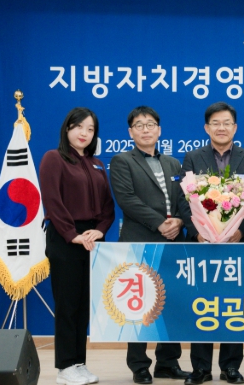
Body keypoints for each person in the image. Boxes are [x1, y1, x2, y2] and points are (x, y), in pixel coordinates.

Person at [109, 106, 193, 385]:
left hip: (173, 241)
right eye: (139, 125)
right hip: (139, 241)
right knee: (138, 305)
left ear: (159, 130)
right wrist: (159, 223)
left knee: (171, 303)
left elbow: (184, 199)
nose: (145, 130)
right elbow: (127, 200)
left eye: (150, 125)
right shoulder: (122, 161)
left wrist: (179, 220)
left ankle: (167, 363)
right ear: (130, 132)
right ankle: (139, 366)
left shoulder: (173, 163)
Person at [182, 102, 244, 385]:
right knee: (202, 303)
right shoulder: (193, 158)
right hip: (203, 244)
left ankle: (231, 366)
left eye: (227, 123)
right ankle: (200, 368)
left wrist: (240, 231)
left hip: (237, 243)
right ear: (207, 128)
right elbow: (185, 199)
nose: (221, 127)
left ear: (235, 127)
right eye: (215, 123)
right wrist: (198, 233)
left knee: (234, 304)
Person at [40, 107, 115, 385]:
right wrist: (72, 234)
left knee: (84, 305)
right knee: (67, 304)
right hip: (65, 239)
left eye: (90, 129)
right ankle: (64, 367)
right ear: (67, 128)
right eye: (79, 127)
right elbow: (52, 200)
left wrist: (100, 229)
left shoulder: (97, 164)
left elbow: (108, 206)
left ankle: (79, 363)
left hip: (92, 240)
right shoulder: (54, 158)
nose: (84, 133)